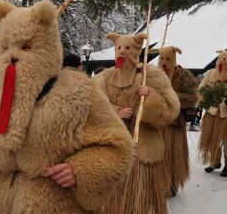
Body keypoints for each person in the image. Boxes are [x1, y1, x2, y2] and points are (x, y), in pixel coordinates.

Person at [0, 0, 135, 214]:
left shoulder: (79, 92)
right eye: (5, 47)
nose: (12, 56)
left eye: (26, 46)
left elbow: (117, 148)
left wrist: (79, 170)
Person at [93, 33, 180, 214]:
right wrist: (116, 112)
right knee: (114, 204)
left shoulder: (151, 76)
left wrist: (150, 98)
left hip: (143, 153)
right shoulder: (103, 79)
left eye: (128, 48)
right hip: (113, 153)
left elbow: (171, 110)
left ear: (137, 51)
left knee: (139, 205)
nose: (122, 52)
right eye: (119, 48)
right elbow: (93, 106)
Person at [154, 46, 198, 196]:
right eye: (162, 59)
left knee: (172, 156)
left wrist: (172, 98)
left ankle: (172, 183)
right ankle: (157, 182)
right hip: (157, 124)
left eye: (168, 59)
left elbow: (193, 97)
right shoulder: (154, 75)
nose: (164, 63)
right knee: (157, 156)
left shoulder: (183, 75)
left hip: (174, 125)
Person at [198, 50, 227, 177]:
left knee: (226, 141)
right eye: (219, 59)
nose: (221, 62)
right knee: (210, 138)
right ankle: (214, 161)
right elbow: (201, 89)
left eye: (224, 59)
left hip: (224, 114)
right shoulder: (210, 74)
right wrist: (203, 101)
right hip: (211, 112)